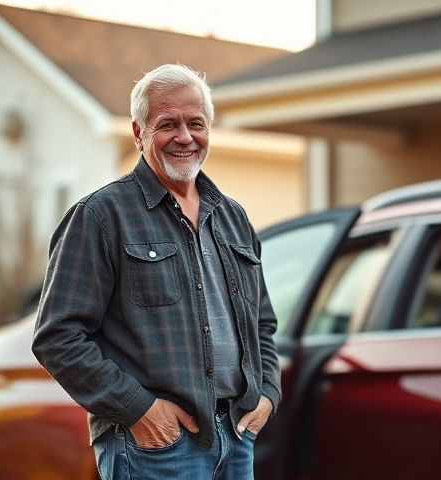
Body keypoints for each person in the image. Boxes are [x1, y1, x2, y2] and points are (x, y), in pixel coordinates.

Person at [32, 64, 280, 479]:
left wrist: (267, 394)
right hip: (156, 448)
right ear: (138, 132)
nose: (185, 137)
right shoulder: (101, 216)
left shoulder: (233, 217)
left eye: (196, 124)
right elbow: (58, 337)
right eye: (168, 124)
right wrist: (138, 410)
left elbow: (263, 324)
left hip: (236, 439)